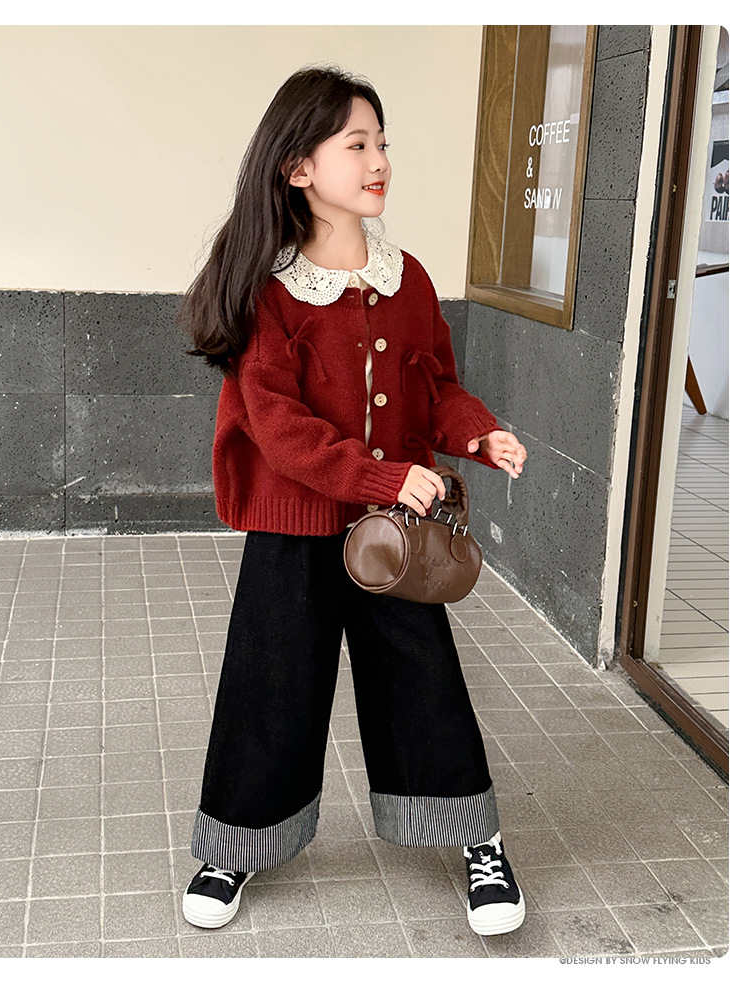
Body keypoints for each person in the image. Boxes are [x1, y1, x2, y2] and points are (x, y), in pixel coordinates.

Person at [178, 64, 528, 938]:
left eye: (382, 144)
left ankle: (476, 839)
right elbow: (277, 425)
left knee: (424, 681)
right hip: (294, 528)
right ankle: (235, 843)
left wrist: (477, 433)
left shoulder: (406, 279)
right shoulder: (267, 289)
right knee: (271, 685)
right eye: (358, 145)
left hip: (394, 536)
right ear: (299, 167)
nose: (379, 162)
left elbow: (434, 387)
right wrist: (380, 476)